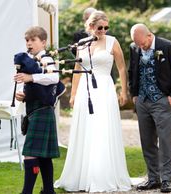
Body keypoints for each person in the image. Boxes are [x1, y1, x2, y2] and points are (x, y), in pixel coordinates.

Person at [54, 11, 132, 192]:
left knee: (102, 129)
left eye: (106, 27)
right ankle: (82, 175)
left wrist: (124, 91)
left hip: (104, 88)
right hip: (84, 90)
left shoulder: (113, 42)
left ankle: (102, 175)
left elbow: (121, 67)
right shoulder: (81, 44)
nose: (103, 30)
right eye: (100, 27)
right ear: (90, 27)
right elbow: (76, 69)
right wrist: (73, 94)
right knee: (85, 129)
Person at [128, 23, 171, 193]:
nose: (140, 46)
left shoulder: (167, 46)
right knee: (147, 141)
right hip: (142, 101)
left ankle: (166, 180)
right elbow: (133, 71)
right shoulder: (134, 47)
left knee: (165, 141)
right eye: (137, 44)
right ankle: (153, 179)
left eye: (142, 43)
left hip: (162, 100)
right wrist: (134, 94)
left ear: (149, 35)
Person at [14, 26, 60, 194]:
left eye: (33, 40)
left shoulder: (46, 57)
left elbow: (54, 77)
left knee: (30, 154)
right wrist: (24, 96)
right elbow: (41, 88)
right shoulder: (34, 60)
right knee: (44, 156)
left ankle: (27, 192)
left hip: (42, 111)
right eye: (27, 40)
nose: (29, 43)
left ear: (43, 42)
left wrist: (30, 77)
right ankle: (48, 191)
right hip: (37, 110)